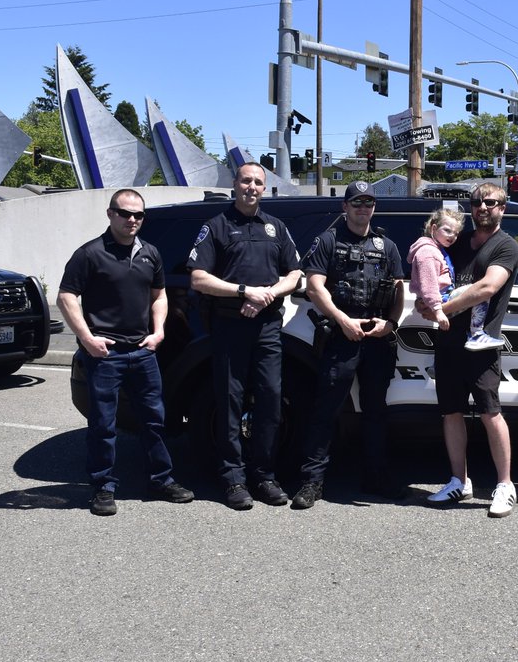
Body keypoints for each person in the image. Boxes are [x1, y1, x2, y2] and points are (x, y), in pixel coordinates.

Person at [58, 189, 194, 516]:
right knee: (104, 424)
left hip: (143, 352)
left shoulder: (151, 253)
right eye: (125, 213)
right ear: (110, 214)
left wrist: (158, 331)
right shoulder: (89, 254)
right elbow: (66, 297)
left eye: (138, 215)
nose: (132, 220)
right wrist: (87, 338)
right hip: (105, 354)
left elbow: (159, 295)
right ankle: (103, 487)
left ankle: (161, 479)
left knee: (154, 421)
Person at [187, 162, 303, 511]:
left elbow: (295, 272)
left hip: (268, 327)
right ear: (235, 184)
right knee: (229, 403)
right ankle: (233, 479)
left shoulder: (276, 228)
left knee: (271, 401)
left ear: (264, 189)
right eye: (245, 181)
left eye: (258, 182)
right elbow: (198, 278)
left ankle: (264, 475)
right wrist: (244, 292)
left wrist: (268, 294)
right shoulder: (216, 227)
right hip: (228, 327)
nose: (251, 187)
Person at [291, 180, 406, 509]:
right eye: (356, 202)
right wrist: (343, 320)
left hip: (376, 337)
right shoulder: (328, 240)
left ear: (374, 207)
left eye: (368, 202)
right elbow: (314, 287)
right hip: (342, 334)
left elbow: (398, 291)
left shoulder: (387, 246)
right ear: (345, 207)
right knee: (326, 410)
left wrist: (391, 323)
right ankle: (312, 481)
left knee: (376, 412)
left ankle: (375, 476)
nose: (362, 207)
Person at [424, 183, 518, 517]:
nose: (482, 207)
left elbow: (487, 287)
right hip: (448, 341)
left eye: (490, 202)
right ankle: (458, 481)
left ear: (502, 208)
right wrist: (428, 303)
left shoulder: (505, 245)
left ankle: (505, 485)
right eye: (477, 202)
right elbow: (426, 271)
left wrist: (442, 309)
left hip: (481, 344)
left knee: (489, 412)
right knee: (450, 412)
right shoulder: (455, 241)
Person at [407, 207, 499, 349]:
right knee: (481, 290)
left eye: (456, 233)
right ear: (434, 228)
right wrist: (438, 311)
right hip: (438, 300)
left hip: (438, 300)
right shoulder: (427, 252)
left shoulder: (437, 249)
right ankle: (477, 334)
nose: (452, 236)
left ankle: (435, 366)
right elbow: (429, 285)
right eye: (447, 230)